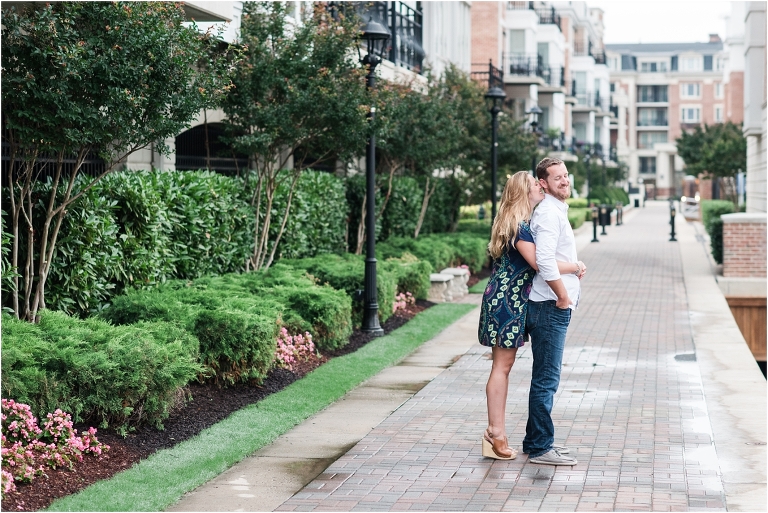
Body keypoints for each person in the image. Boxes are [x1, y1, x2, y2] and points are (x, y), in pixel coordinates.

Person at [478, 171, 585, 460]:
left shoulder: (517, 222)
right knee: (501, 366)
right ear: (523, 192)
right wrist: (574, 266)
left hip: (509, 298)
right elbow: (541, 263)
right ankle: (494, 433)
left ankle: (495, 433)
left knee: (503, 365)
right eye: (534, 185)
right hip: (507, 300)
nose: (539, 187)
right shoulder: (518, 226)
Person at [523, 157, 586, 466]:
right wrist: (562, 296)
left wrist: (573, 270)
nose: (565, 180)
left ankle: (535, 440)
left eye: (566, 175)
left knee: (544, 377)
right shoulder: (548, 213)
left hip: (550, 304)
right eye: (557, 177)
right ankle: (540, 448)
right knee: (547, 380)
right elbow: (544, 261)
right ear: (543, 183)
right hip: (549, 305)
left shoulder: (555, 210)